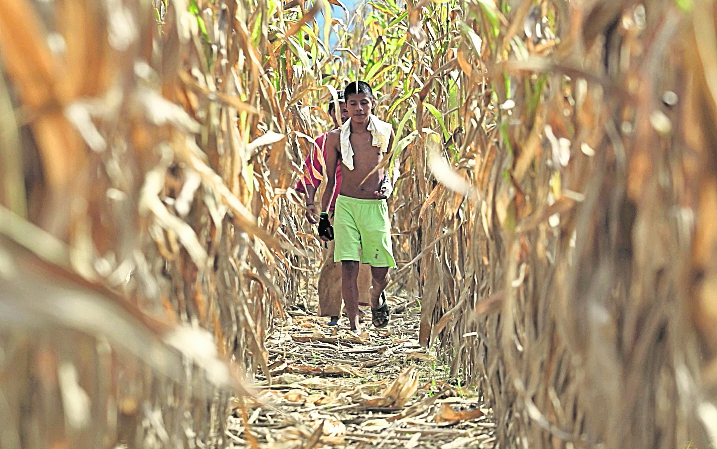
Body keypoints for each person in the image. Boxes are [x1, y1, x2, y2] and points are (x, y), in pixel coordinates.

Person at [318, 81, 398, 332]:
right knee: (349, 265)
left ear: (372, 103)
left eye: (364, 102)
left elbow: (390, 169)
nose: (359, 108)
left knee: (380, 271)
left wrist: (388, 185)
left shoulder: (385, 131)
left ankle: (376, 298)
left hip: (374, 206)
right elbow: (330, 179)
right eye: (353, 103)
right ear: (346, 107)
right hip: (346, 207)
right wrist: (323, 216)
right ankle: (354, 326)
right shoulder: (335, 138)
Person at [296, 91, 372, 325]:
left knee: (365, 257)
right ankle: (331, 312)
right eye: (339, 110)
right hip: (336, 207)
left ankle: (358, 307)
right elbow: (311, 175)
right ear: (331, 114)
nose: (345, 113)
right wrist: (310, 203)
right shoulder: (324, 141)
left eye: (347, 108)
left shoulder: (370, 138)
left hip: (365, 205)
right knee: (335, 258)